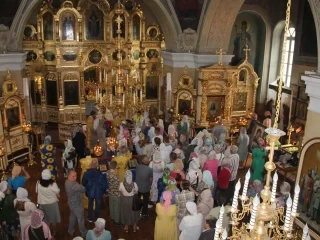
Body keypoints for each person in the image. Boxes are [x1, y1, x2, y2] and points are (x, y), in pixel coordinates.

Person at [36, 169, 61, 235]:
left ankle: (47, 232)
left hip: (42, 204)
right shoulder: (53, 184)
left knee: (46, 219)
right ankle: (54, 231)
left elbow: (37, 192)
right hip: (52, 204)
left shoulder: (38, 182)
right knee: (53, 219)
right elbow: (58, 196)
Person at [65, 170, 87, 238]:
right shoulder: (74, 185)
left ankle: (70, 230)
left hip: (71, 203)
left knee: (72, 216)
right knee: (81, 219)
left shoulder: (66, 182)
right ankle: (83, 232)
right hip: (77, 205)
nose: (75, 178)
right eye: (73, 176)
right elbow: (84, 189)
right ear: (68, 176)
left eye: (76, 176)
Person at [106, 161, 121, 226]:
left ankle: (112, 217)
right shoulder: (115, 176)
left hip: (110, 192)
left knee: (111, 205)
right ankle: (117, 221)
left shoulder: (107, 173)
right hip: (116, 193)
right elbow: (118, 185)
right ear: (115, 167)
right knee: (116, 208)